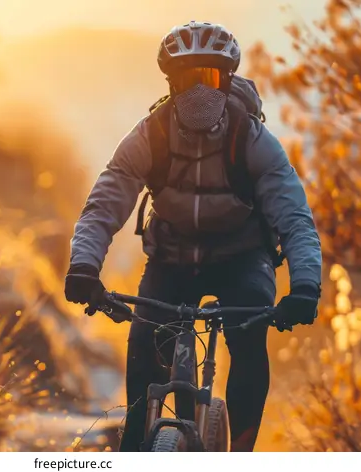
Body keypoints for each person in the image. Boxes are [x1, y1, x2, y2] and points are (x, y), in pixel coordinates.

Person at [64, 21, 322, 452]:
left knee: (247, 343)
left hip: (242, 258)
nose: (200, 91)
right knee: (145, 349)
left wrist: (305, 286)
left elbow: (293, 215)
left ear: (228, 80)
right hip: (172, 258)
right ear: (171, 82)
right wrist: (84, 267)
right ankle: (134, 444)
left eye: (211, 77)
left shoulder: (252, 138)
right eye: (188, 79)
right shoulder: (151, 134)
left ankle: (239, 455)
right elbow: (107, 200)